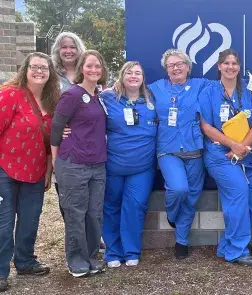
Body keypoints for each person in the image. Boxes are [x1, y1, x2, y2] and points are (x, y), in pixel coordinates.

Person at [0, 52, 59, 292]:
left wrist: (48, 169)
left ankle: (25, 261)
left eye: (44, 68)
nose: (39, 71)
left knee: (30, 220)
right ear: (25, 69)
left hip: (35, 171)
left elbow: (50, 141)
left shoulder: (51, 100)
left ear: (50, 72)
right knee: (3, 223)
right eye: (34, 67)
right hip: (5, 168)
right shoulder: (9, 95)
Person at [199, 49, 252, 266]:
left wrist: (242, 146)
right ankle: (237, 250)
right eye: (226, 63)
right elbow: (206, 127)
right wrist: (232, 145)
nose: (230, 67)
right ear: (219, 66)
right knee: (239, 191)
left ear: (239, 67)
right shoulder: (209, 92)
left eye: (234, 63)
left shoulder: (248, 91)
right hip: (220, 155)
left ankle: (227, 245)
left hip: (246, 155)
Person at [50, 50, 109, 277]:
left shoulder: (99, 96)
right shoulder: (72, 94)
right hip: (73, 164)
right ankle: (76, 260)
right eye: (89, 66)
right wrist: (56, 161)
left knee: (94, 213)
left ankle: (92, 256)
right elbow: (56, 127)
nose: (94, 70)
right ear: (82, 68)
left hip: (98, 164)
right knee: (75, 213)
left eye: (98, 66)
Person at [148, 49, 211, 260]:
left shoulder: (201, 85)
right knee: (178, 189)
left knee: (191, 198)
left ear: (188, 66)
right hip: (168, 149)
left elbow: (227, 88)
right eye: (171, 65)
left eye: (180, 64)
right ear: (166, 70)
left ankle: (181, 241)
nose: (176, 68)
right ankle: (172, 216)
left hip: (195, 149)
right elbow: (129, 91)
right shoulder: (155, 88)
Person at [101, 62, 157, 268]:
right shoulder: (106, 98)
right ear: (122, 76)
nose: (133, 76)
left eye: (138, 73)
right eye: (129, 72)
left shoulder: (152, 99)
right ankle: (112, 251)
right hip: (113, 166)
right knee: (111, 207)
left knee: (135, 207)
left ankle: (131, 250)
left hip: (142, 168)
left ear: (143, 77)